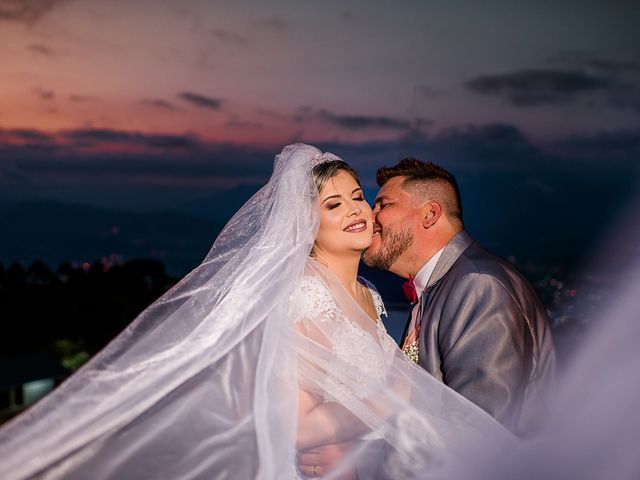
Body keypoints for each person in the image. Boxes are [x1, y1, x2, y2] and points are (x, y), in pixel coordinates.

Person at [0, 145, 508, 480]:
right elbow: (298, 428)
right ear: (304, 226)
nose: (357, 210)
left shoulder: (370, 297)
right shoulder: (301, 296)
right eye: (333, 205)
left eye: (357, 197)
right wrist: (389, 401)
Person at [363, 158, 556, 435]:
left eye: (383, 204)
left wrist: (361, 464)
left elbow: (477, 434)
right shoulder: (438, 287)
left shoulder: (479, 286)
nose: (370, 216)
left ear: (430, 214)